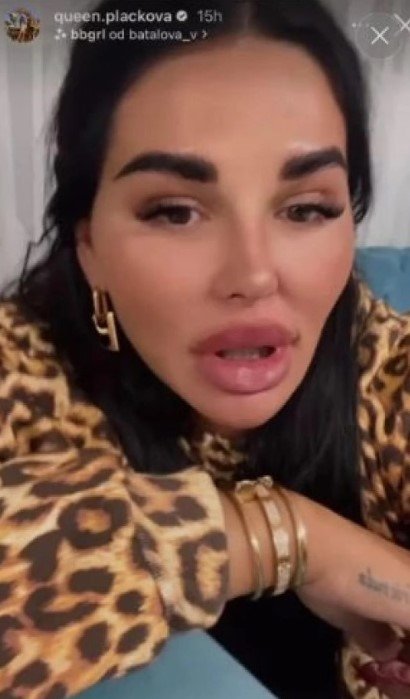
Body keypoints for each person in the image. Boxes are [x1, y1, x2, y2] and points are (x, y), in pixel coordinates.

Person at [0, 0, 409, 697]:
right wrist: (291, 538)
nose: (254, 274)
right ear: (90, 245)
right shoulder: (20, 370)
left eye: (306, 208)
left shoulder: (385, 367)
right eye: (175, 211)